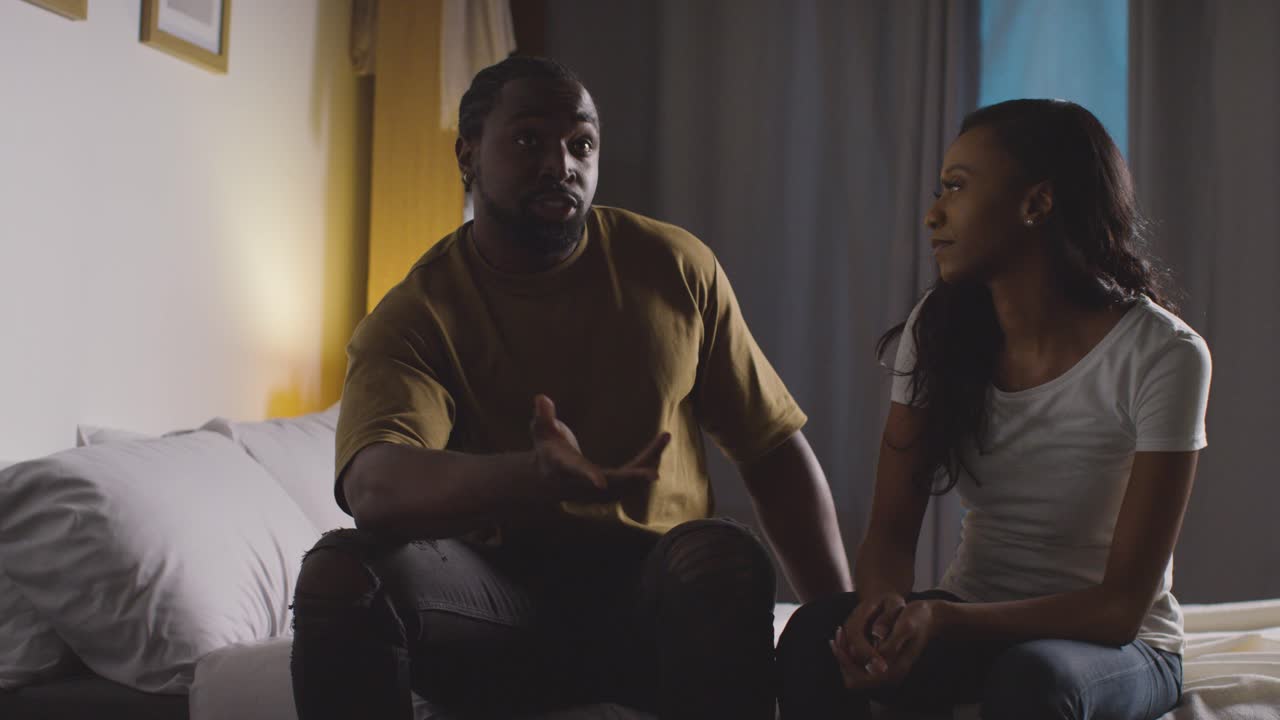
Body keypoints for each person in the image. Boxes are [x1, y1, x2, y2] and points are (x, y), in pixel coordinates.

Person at [288, 56, 852, 720]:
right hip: (498, 615)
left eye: (580, 143)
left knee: (723, 555)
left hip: (655, 602)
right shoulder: (418, 313)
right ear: (467, 153)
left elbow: (772, 453)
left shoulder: (673, 267)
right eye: (529, 139)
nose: (562, 164)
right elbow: (375, 489)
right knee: (340, 573)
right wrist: (533, 476)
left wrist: (834, 627)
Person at [777, 99, 1211, 720]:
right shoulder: (941, 328)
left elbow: (1119, 609)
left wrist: (949, 619)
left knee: (1032, 679)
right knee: (814, 635)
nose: (933, 215)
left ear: (1037, 203)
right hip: (972, 617)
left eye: (956, 187)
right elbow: (892, 531)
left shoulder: (1164, 353)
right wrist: (880, 615)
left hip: (1118, 645)